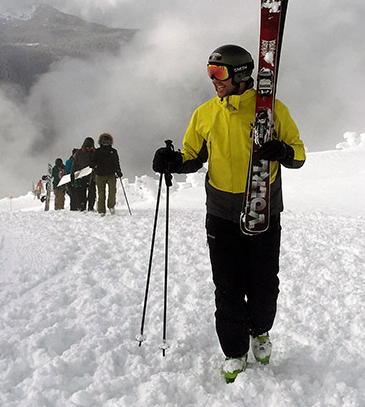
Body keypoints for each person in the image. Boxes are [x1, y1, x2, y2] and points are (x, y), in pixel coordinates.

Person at [152, 44, 305, 383]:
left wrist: (281, 150)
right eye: (209, 73)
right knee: (228, 287)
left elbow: (298, 155)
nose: (213, 80)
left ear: (240, 75)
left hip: (262, 209)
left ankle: (260, 331)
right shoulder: (205, 114)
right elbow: (193, 156)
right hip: (221, 213)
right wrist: (173, 161)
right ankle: (234, 351)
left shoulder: (273, 110)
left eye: (218, 73)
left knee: (264, 285)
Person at [94, 133, 123, 215]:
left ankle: (111, 206)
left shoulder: (113, 151)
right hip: (100, 174)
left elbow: (116, 162)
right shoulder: (97, 151)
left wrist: (118, 171)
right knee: (101, 193)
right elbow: (93, 161)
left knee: (112, 191)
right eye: (104, 142)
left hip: (111, 174)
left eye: (108, 142)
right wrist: (93, 165)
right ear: (101, 142)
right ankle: (101, 210)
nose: (106, 144)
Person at [69, 138, 96, 211]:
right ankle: (82, 206)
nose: (89, 149)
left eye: (90, 147)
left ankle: (91, 206)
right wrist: (72, 174)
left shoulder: (95, 152)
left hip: (92, 176)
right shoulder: (79, 153)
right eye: (87, 147)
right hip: (82, 175)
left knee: (92, 192)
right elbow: (74, 164)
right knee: (81, 193)